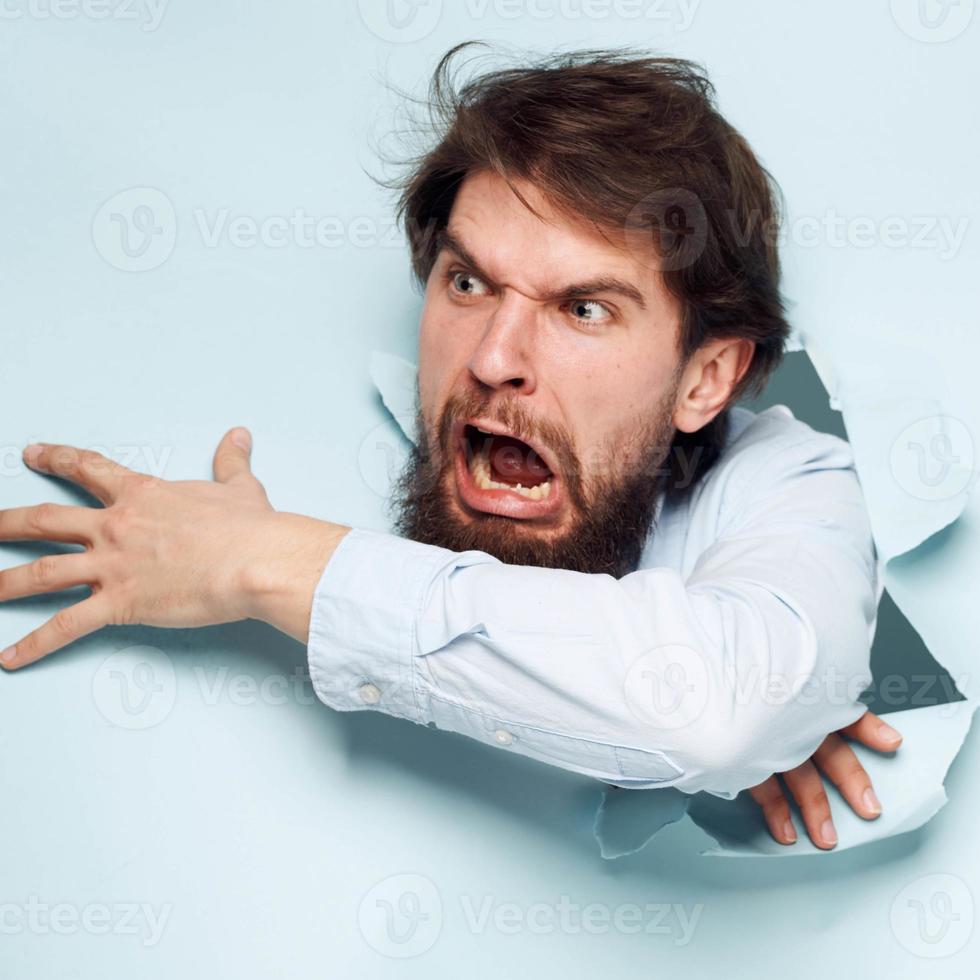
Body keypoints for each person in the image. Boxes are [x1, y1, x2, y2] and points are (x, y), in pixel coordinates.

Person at [0, 46, 903, 850]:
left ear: (706, 378)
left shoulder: (791, 477)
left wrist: (266, 560)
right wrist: (683, 717)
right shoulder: (328, 420)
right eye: (467, 281)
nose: (493, 359)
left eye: (583, 309)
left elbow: (715, 712)